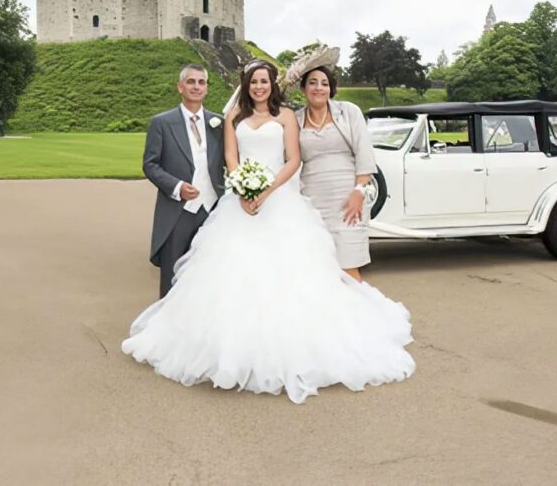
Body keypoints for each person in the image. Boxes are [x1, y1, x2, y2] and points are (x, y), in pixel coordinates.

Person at [122, 60, 415, 404]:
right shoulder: (234, 117)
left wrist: (267, 190)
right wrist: (243, 188)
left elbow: (292, 159)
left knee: (294, 274)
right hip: (240, 202)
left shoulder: (287, 116)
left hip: (280, 199)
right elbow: (231, 156)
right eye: (253, 82)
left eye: (264, 81)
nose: (259, 86)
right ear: (246, 86)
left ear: (272, 85)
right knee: (231, 272)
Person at [142, 64, 226, 298]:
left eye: (201, 82)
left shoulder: (219, 124)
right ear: (180, 87)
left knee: (209, 274)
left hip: (213, 211)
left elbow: (231, 162)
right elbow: (150, 164)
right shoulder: (162, 122)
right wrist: (177, 187)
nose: (196, 87)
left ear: (207, 88)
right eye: (191, 81)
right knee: (172, 276)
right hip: (177, 212)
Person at [296, 65, 377, 282]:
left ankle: (362, 314)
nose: (318, 88)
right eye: (312, 83)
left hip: (348, 198)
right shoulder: (295, 119)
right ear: (303, 88)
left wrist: (359, 192)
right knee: (320, 266)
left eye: (324, 84)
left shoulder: (349, 111)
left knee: (348, 267)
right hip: (313, 201)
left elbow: (364, 153)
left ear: (331, 89)